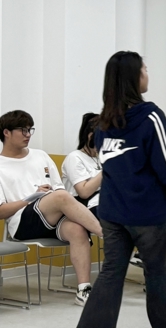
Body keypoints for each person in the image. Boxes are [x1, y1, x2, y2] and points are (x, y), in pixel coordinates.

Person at [69, 52, 166, 328]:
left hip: (112, 212)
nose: (147, 74)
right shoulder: (150, 116)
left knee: (111, 272)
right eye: (144, 69)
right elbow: (165, 163)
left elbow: (111, 167)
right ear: (134, 77)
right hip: (147, 212)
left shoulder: (103, 124)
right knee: (156, 273)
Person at [0, 110, 103, 306]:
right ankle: (107, 234)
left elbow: (59, 189)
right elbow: (1, 211)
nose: (28, 134)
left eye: (30, 130)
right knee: (60, 197)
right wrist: (30, 198)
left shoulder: (41, 156)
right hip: (22, 222)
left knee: (77, 229)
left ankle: (84, 290)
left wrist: (49, 198)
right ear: (6, 132)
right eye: (23, 130)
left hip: (52, 215)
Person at [62, 113, 103, 209]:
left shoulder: (100, 158)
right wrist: (107, 169)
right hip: (83, 207)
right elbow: (84, 192)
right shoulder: (74, 157)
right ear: (91, 136)